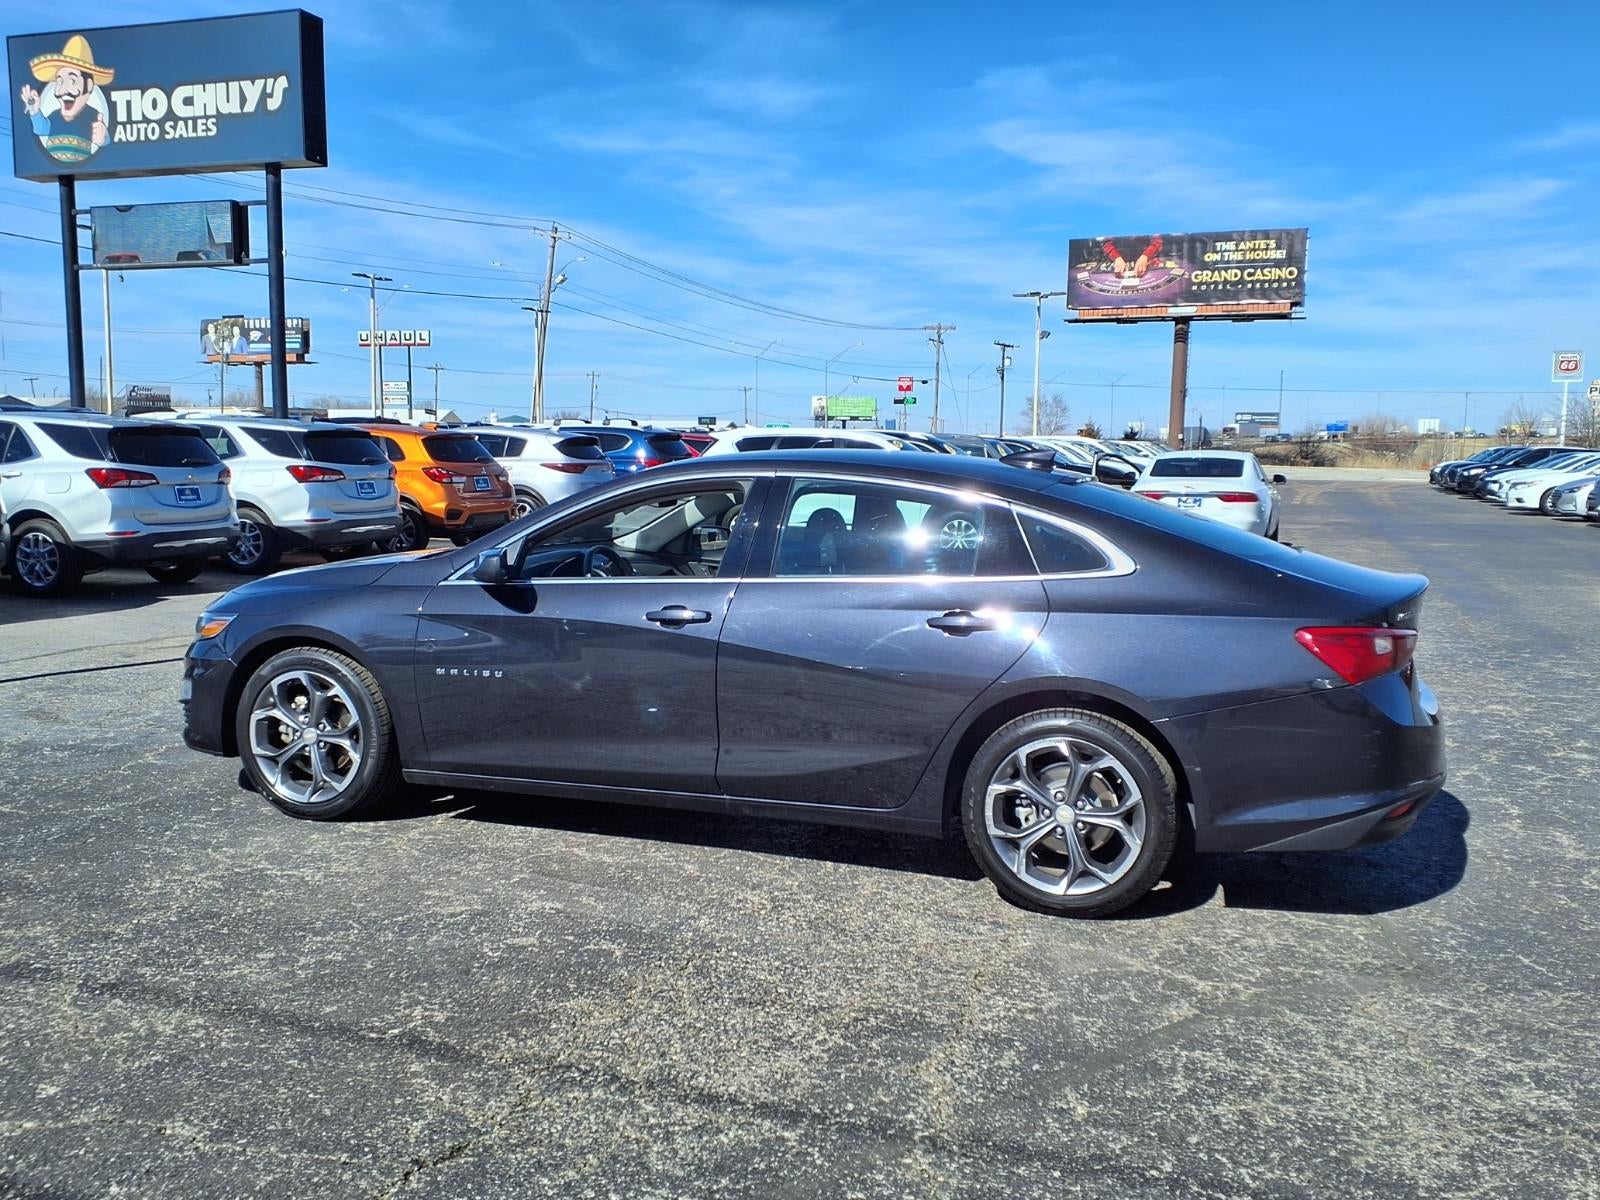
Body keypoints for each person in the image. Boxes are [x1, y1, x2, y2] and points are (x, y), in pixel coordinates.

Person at [19, 36, 114, 166]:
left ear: (89, 85)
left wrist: (104, 138)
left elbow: (106, 141)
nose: (63, 90)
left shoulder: (93, 116)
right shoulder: (54, 115)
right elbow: (41, 129)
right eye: (59, 81)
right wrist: (35, 111)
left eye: (72, 81)